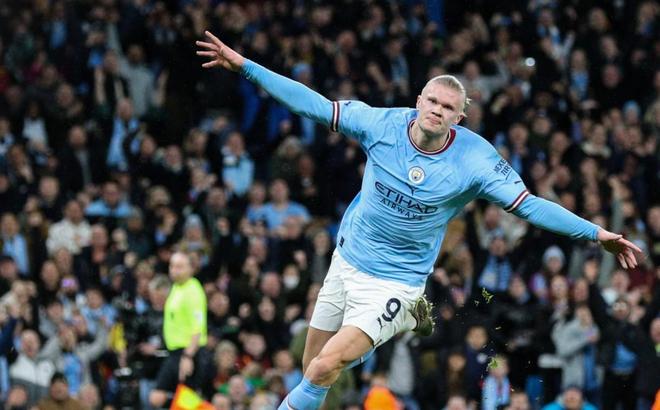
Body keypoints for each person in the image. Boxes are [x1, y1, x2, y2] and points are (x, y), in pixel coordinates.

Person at [196, 30, 642, 410]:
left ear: (459, 118)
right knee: (312, 369)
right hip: (346, 261)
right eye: (432, 101)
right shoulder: (381, 125)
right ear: (418, 101)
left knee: (323, 367)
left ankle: (405, 313)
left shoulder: (475, 160)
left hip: (396, 282)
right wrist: (245, 67)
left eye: (448, 108)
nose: (437, 110)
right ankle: (389, 331)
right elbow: (311, 104)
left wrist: (596, 233)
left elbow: (530, 205)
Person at [149, 251, 209, 408]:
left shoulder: (193, 290)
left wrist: (188, 356)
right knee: (157, 397)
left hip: (189, 352)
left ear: (190, 269)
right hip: (174, 352)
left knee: (187, 399)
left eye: (180, 267)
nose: (175, 270)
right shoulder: (176, 288)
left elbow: (198, 327)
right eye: (172, 266)